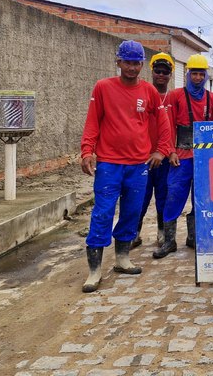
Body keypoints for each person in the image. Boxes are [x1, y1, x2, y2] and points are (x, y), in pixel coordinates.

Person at [80, 40, 173, 292]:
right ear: (118, 61)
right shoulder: (103, 88)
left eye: (136, 63)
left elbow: (163, 124)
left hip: (138, 165)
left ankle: (122, 258)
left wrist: (161, 150)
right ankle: (95, 270)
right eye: (127, 62)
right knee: (103, 212)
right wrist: (87, 150)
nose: (132, 68)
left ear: (142, 64)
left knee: (132, 211)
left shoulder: (149, 92)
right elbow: (93, 122)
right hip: (110, 164)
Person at [153, 54, 213, 258]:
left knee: (201, 198)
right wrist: (170, 150)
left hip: (204, 158)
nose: (197, 78)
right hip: (180, 156)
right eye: (194, 74)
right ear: (188, 74)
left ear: (206, 76)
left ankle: (194, 237)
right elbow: (168, 126)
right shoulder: (175, 96)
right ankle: (169, 240)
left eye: (201, 74)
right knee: (174, 196)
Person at [132, 52, 175, 248]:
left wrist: (168, 150)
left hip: (164, 157)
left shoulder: (173, 98)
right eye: (157, 71)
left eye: (165, 72)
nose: (160, 75)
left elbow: (175, 127)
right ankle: (134, 234)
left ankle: (162, 233)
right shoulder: (142, 94)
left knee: (163, 198)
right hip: (142, 156)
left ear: (170, 75)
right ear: (151, 72)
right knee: (140, 196)